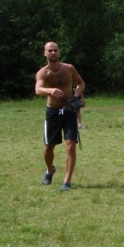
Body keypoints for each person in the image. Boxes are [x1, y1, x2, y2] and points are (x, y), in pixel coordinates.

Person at [35, 42, 86, 191]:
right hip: (53, 113)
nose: (53, 53)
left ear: (59, 52)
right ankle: (49, 170)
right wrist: (50, 91)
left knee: (71, 146)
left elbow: (81, 83)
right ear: (45, 53)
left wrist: (76, 96)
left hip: (69, 112)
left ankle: (67, 182)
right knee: (48, 148)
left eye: (55, 50)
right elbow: (38, 89)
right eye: (50, 50)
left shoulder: (68, 68)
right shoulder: (43, 73)